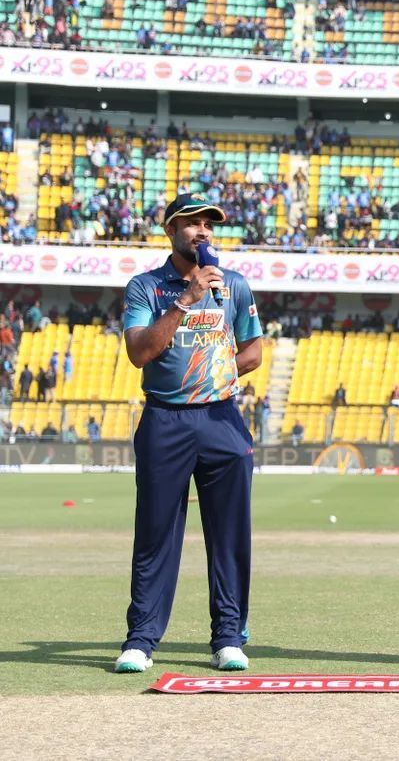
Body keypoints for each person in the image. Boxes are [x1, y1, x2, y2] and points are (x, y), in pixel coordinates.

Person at [113, 193, 263, 675]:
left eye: (208, 225)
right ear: (170, 231)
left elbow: (254, 350)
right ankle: (141, 639)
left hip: (221, 418)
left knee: (230, 534)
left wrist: (220, 374)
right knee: (156, 533)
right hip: (165, 420)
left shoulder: (234, 285)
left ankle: (227, 636)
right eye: (192, 224)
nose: (202, 231)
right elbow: (140, 352)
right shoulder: (146, 288)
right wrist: (185, 300)